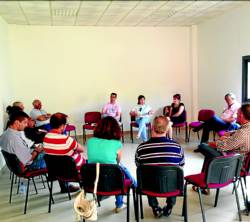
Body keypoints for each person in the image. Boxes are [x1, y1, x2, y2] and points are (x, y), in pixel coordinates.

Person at [135, 116, 184, 218]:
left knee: (147, 174)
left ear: (152, 127)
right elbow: (181, 164)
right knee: (174, 174)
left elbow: (138, 165)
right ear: (167, 129)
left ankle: (155, 207)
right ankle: (170, 205)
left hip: (149, 186)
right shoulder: (177, 147)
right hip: (172, 186)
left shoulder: (141, 148)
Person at [87, 116, 136, 213]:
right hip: (112, 181)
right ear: (116, 129)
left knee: (119, 168)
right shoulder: (117, 143)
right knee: (120, 169)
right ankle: (120, 203)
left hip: (94, 179)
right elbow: (117, 162)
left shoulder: (90, 141)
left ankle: (135, 184)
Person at [43, 112, 86, 192]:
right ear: (62, 126)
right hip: (73, 172)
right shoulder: (67, 139)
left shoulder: (46, 137)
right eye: (66, 124)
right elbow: (82, 149)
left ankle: (64, 187)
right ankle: (84, 187)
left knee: (58, 160)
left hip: (55, 171)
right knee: (87, 163)